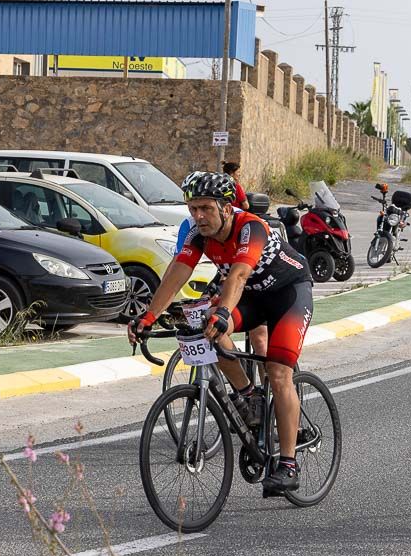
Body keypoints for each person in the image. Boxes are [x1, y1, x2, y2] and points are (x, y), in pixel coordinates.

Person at [128, 171, 313, 497]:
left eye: (205, 208)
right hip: (254, 297)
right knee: (206, 323)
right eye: (193, 208)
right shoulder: (200, 235)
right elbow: (176, 273)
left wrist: (225, 312)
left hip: (288, 294)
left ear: (226, 208)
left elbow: (239, 275)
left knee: (278, 371)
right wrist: (148, 317)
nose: (198, 216)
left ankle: (288, 464)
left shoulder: (250, 228)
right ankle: (249, 395)